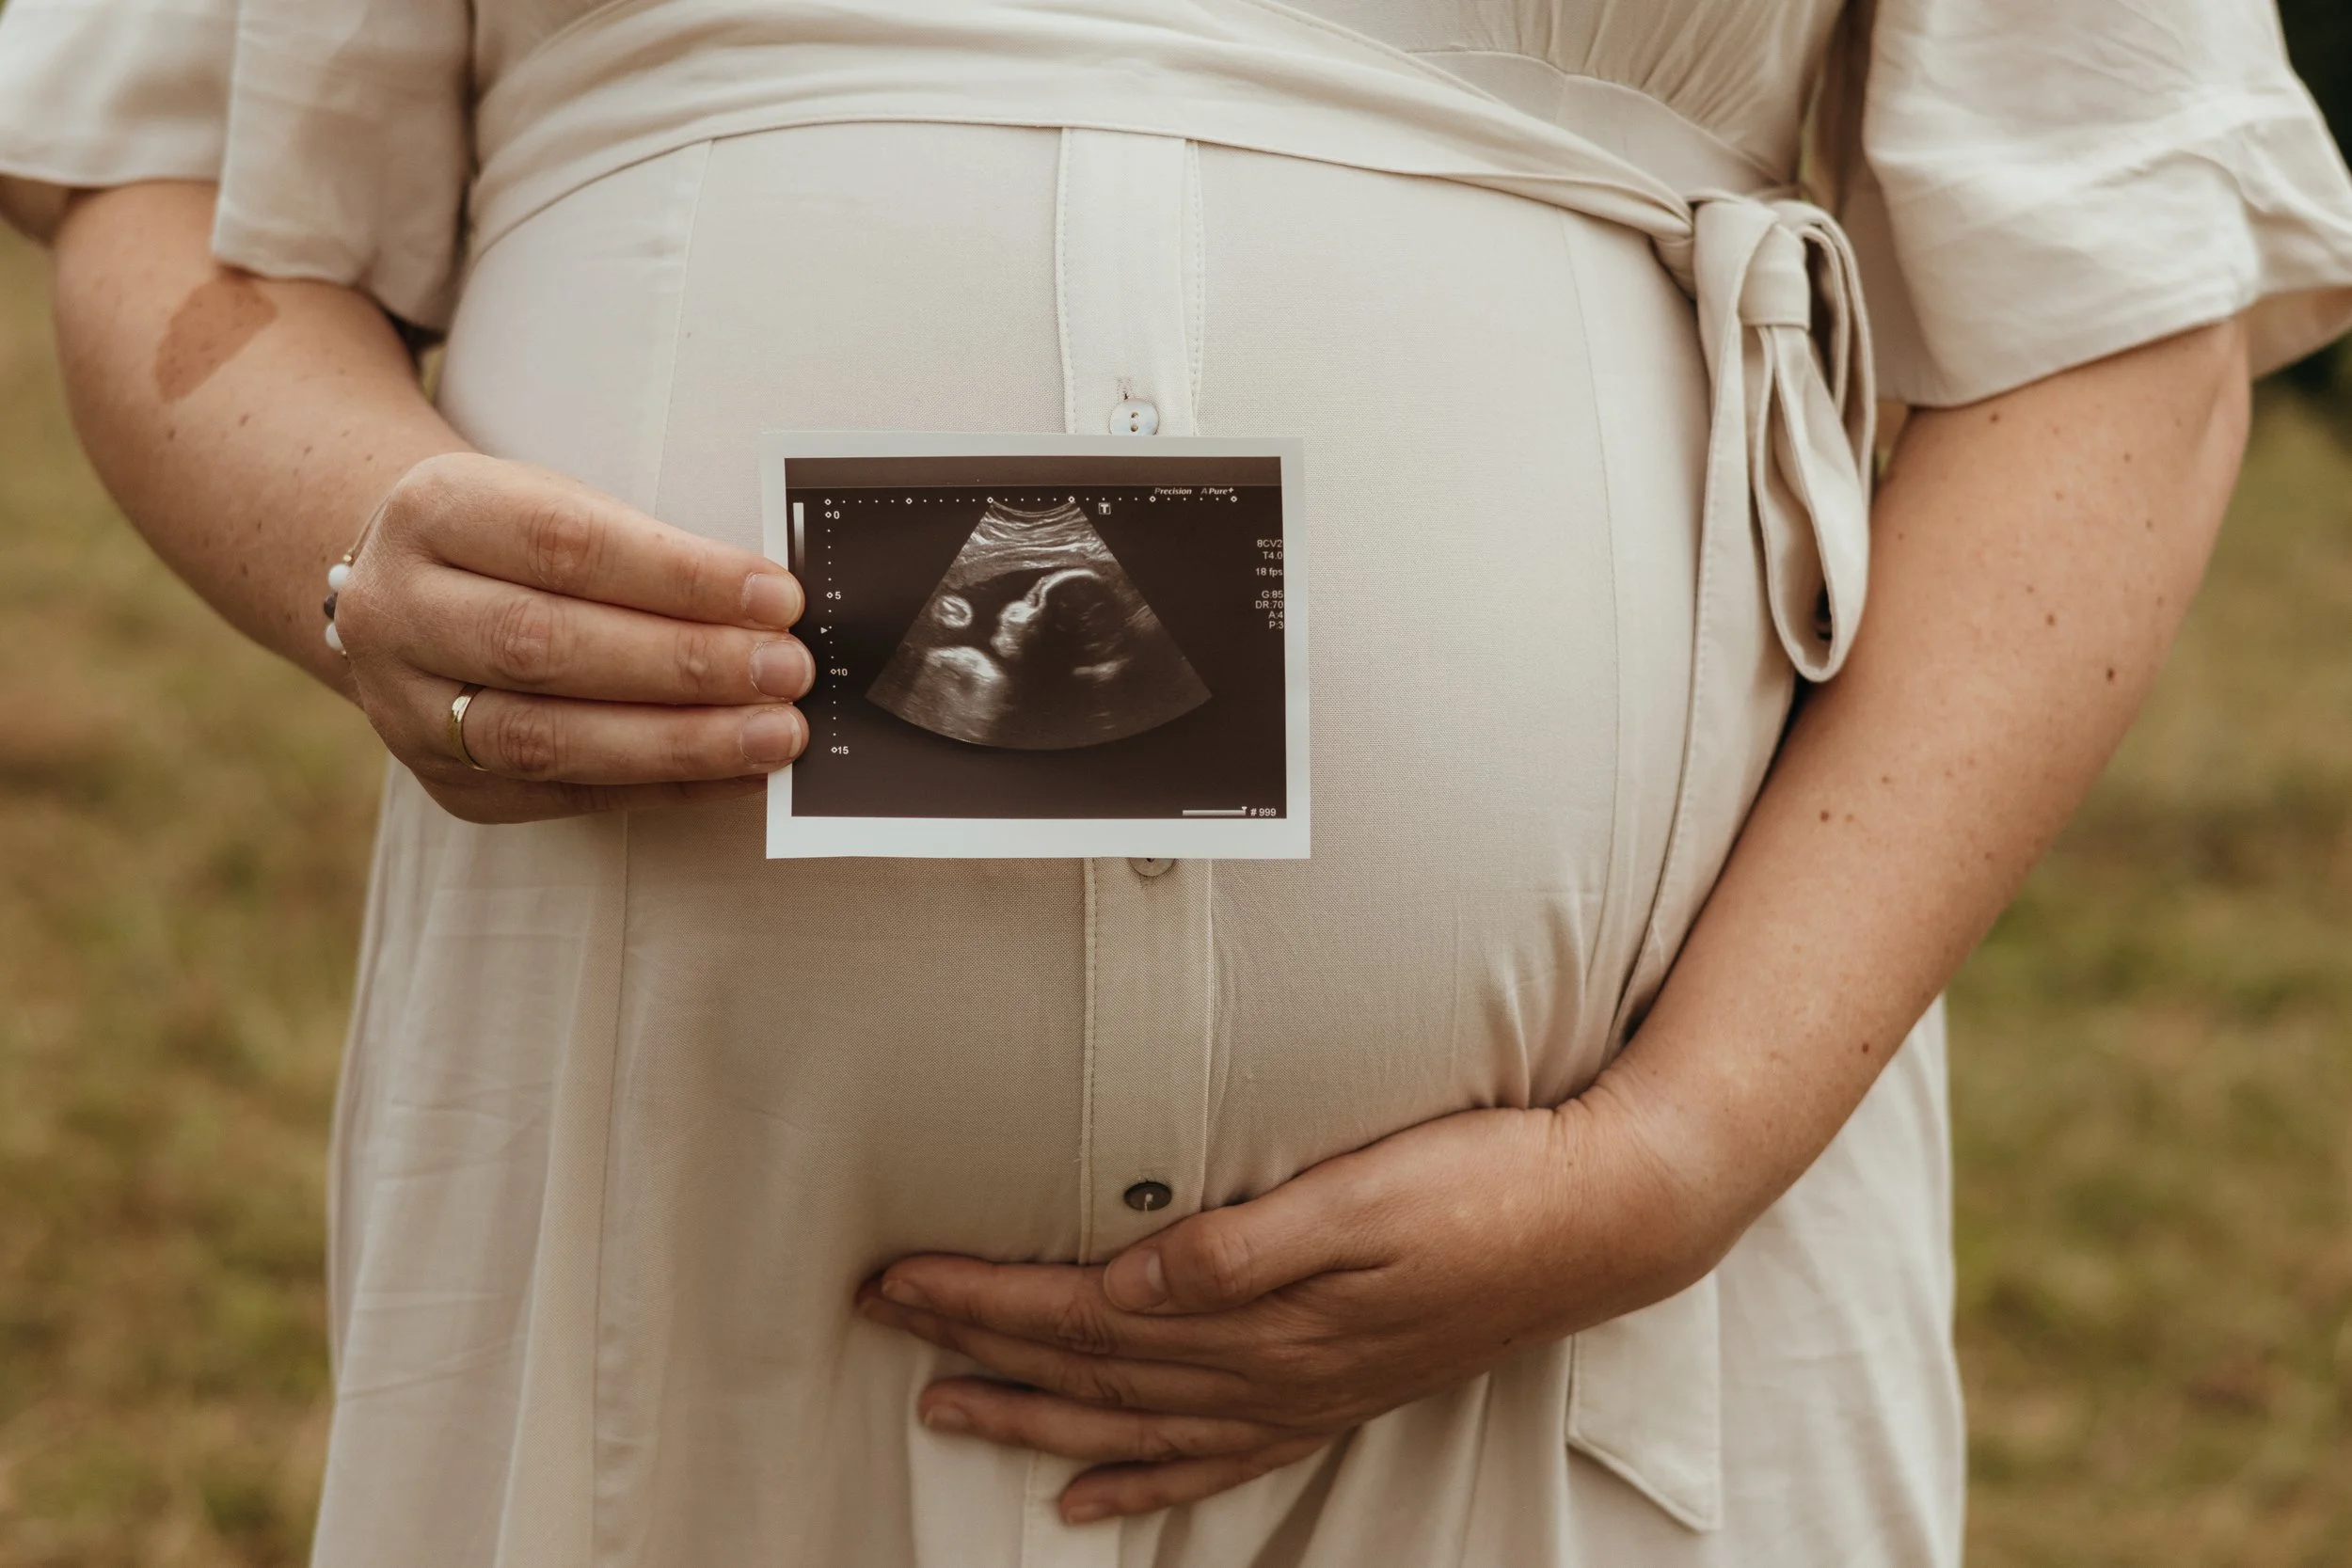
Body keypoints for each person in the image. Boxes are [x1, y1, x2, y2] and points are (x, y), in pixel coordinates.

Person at [4, 1, 2349, 1562]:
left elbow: (2116, 296)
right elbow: (175, 189)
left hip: (1578, 1287)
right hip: (671, 1213)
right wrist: (352, 548)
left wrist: (1677, 1150)